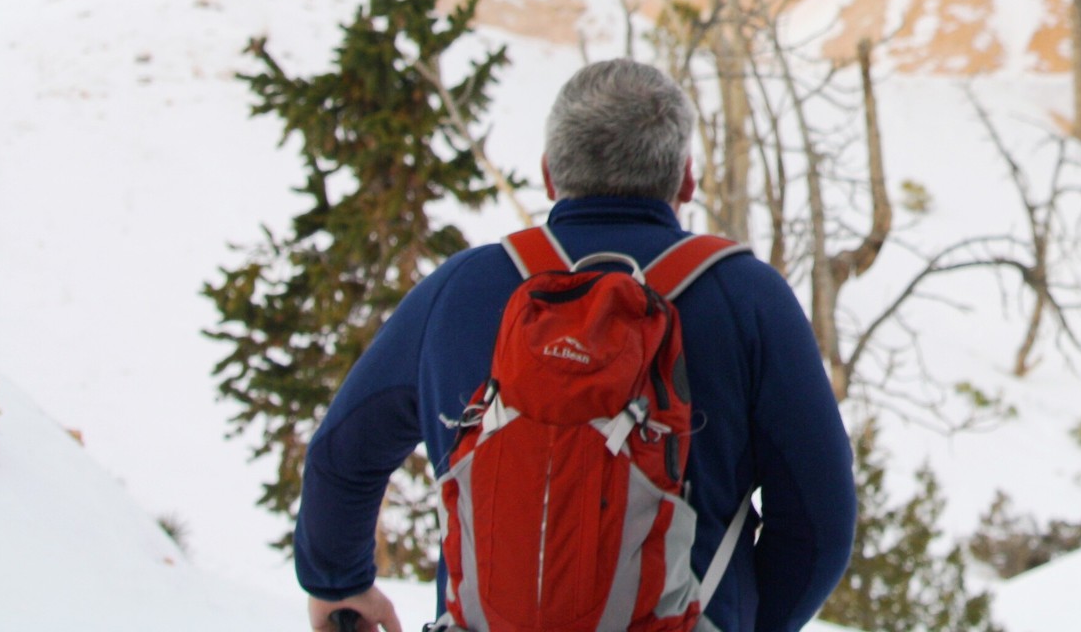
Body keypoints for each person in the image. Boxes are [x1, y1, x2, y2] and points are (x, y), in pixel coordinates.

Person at [293, 57, 857, 632]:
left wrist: (339, 583)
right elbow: (820, 525)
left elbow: (342, 454)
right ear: (686, 179)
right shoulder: (749, 300)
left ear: (548, 174)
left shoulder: (459, 291)